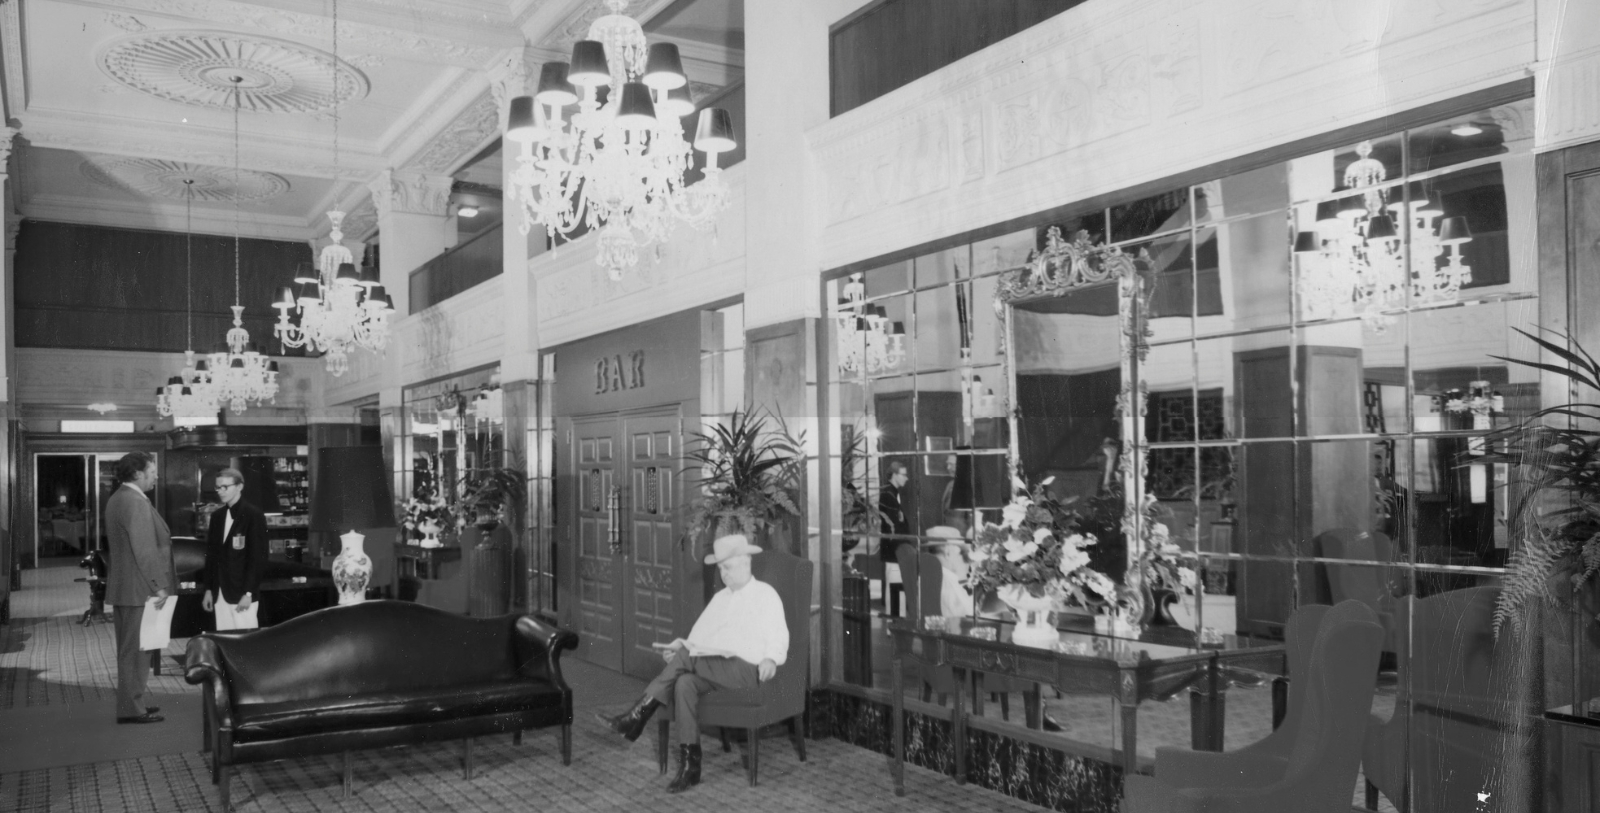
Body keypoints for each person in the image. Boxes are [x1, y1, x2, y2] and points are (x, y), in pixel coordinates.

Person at [598, 534, 788, 793]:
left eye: (728, 567)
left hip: (748, 670)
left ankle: (637, 715)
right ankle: (691, 767)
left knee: (685, 661)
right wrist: (680, 649)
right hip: (715, 669)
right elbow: (697, 640)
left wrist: (771, 658)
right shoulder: (720, 599)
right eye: (720, 569)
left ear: (746, 563)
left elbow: (780, 635)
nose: (724, 574)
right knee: (684, 683)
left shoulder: (766, 595)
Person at [104, 451, 174, 725]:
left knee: (132, 650)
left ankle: (133, 702)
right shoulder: (134, 502)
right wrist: (160, 587)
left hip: (126, 588)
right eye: (152, 470)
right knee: (135, 652)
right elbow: (144, 549)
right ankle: (132, 709)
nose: (156, 474)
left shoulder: (119, 498)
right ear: (137, 474)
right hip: (139, 589)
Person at [202, 468, 268, 631]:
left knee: (247, 643)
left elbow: (257, 558)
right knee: (224, 641)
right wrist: (209, 590)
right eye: (218, 487)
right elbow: (211, 557)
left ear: (239, 486)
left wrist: (248, 593)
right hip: (220, 592)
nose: (220, 491)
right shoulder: (217, 516)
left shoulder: (253, 515)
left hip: (242, 593)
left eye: (225, 487)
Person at [877, 460, 911, 615]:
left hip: (895, 549)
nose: (906, 478)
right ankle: (896, 620)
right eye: (903, 475)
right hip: (894, 550)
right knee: (895, 584)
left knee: (896, 584)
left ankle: (896, 619)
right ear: (895, 475)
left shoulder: (892, 493)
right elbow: (892, 525)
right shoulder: (888, 494)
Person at [921, 525, 976, 618]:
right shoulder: (947, 577)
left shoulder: (929, 573)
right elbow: (966, 612)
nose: (960, 558)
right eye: (959, 553)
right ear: (948, 552)